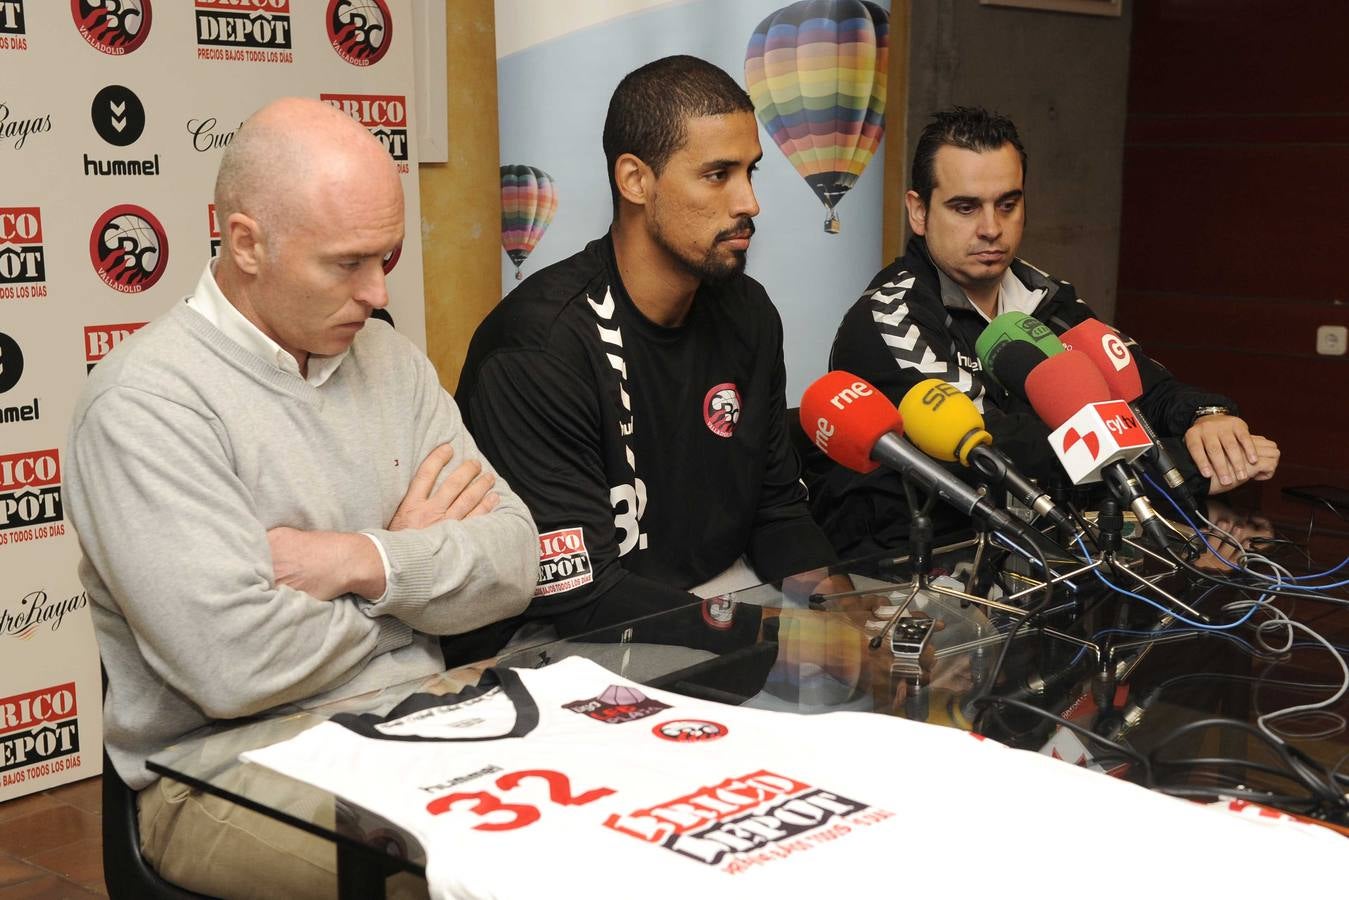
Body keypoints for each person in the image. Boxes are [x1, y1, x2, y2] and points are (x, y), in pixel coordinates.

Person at [66, 97, 538, 898]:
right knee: (453, 876)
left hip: (428, 716)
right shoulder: (145, 405)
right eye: (348, 263)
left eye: (385, 257)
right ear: (247, 244)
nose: (379, 292)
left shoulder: (390, 360)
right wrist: (405, 585)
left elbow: (516, 559)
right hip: (225, 770)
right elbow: (232, 667)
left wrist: (361, 559)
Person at [453, 55, 840, 654]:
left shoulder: (749, 312)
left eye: (751, 172)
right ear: (635, 180)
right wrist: (780, 639)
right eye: (718, 175)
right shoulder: (539, 348)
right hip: (569, 647)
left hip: (721, 610)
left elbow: (777, 511)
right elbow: (585, 599)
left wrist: (844, 617)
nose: (750, 203)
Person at [815, 106, 1279, 557]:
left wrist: (1210, 419)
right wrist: (1190, 468)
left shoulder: (1046, 295)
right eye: (965, 207)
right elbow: (1006, 454)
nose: (991, 229)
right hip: (907, 570)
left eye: (1008, 205)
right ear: (919, 212)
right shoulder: (889, 319)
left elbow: (1142, 388)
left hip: (1045, 556)